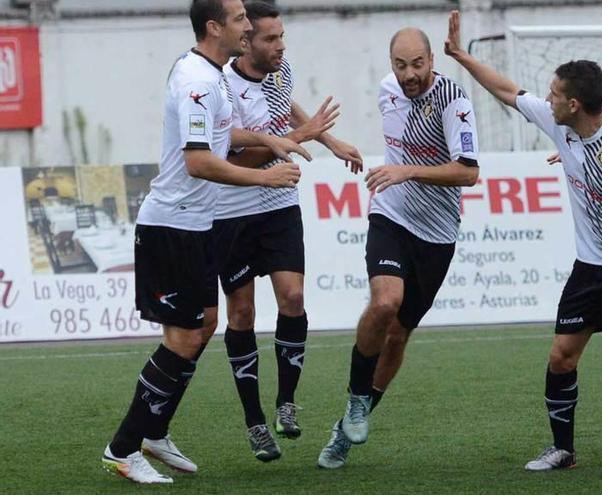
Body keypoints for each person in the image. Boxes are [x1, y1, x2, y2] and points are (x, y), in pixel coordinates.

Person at [445, 10, 602, 469]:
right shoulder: (557, 123)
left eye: (555, 93)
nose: (547, 98)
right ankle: (563, 449)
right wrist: (462, 56)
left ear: (575, 105)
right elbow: (507, 90)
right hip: (590, 265)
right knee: (561, 357)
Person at [100, 0, 307, 484]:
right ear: (214, 28)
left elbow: (217, 132)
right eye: (239, 19)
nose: (247, 25)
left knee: (205, 323)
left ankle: (154, 432)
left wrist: (269, 139)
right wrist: (265, 179)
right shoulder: (198, 80)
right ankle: (122, 448)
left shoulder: (205, 73)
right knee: (187, 335)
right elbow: (198, 162)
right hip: (172, 225)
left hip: (195, 224)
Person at [317, 26, 480, 469]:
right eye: (400, 65)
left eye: (418, 64)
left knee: (398, 336)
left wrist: (408, 170)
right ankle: (355, 398)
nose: (409, 74)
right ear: (391, 65)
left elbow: (469, 173)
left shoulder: (455, 102)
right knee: (386, 302)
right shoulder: (388, 90)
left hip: (438, 233)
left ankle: (349, 427)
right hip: (391, 215)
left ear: (432, 61)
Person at [211, 0, 363, 462]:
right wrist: (300, 137)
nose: (280, 46)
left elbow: (285, 106)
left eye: (282, 37)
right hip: (232, 211)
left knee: (293, 299)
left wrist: (327, 138)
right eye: (270, 39)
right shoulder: (222, 88)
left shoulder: (280, 70)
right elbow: (234, 163)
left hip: (279, 205)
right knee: (241, 315)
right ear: (246, 41)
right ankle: (255, 422)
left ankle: (286, 403)